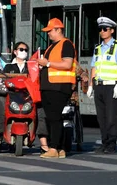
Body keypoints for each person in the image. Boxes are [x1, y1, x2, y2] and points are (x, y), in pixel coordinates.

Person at [36, 18, 77, 159]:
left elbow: (67, 64)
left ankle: (53, 148)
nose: (48, 34)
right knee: (53, 118)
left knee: (54, 118)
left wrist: (47, 64)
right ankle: (59, 148)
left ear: (58, 29)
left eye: (50, 31)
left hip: (58, 86)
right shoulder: (52, 46)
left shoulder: (66, 44)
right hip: (50, 86)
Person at [88, 17, 117, 154]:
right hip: (99, 85)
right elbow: (94, 67)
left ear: (112, 30)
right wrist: (90, 85)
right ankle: (104, 142)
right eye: (100, 29)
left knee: (111, 117)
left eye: (105, 29)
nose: (102, 32)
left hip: (111, 86)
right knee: (101, 117)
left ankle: (111, 143)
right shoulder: (98, 48)